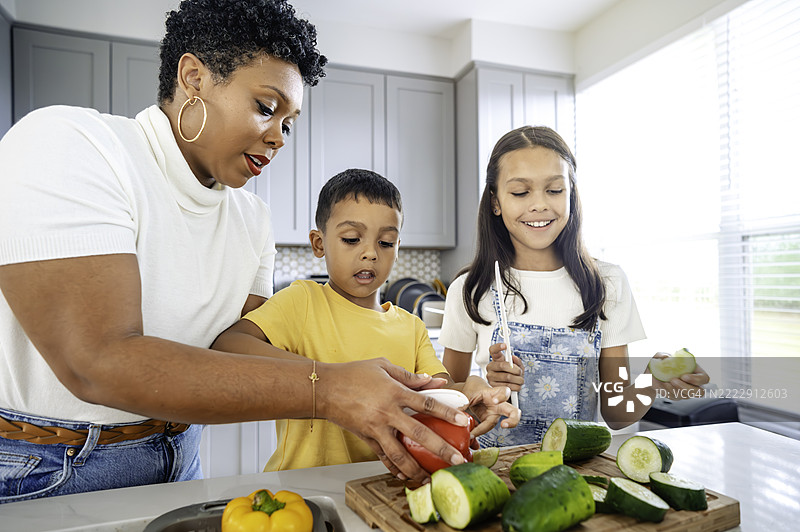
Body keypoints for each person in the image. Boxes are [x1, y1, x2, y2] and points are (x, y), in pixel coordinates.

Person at [0, 0, 469, 502]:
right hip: (48, 469)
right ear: (194, 77)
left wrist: (410, 392)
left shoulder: (251, 218)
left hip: (181, 455)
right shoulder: (73, 144)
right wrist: (331, 390)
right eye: (267, 107)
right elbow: (96, 361)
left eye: (288, 122)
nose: (279, 137)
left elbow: (248, 349)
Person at [212, 168, 520, 471]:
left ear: (398, 248)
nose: (370, 253)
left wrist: (469, 393)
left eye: (385, 242)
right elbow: (229, 344)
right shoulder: (302, 301)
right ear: (319, 243)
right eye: (351, 239)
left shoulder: (411, 328)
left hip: (381, 487)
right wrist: (327, 380)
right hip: (302, 486)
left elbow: (440, 389)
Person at [438, 125, 710, 447]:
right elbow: (448, 401)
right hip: (497, 474)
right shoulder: (470, 290)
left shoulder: (606, 284)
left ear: (571, 193)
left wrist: (652, 381)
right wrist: (482, 388)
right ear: (495, 201)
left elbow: (617, 412)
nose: (539, 205)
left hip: (576, 472)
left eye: (554, 190)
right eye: (521, 192)